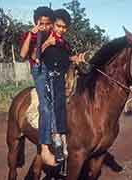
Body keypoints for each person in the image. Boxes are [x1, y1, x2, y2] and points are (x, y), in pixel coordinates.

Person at [41, 8, 85, 163]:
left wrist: (76, 59)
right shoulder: (45, 38)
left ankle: (71, 136)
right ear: (53, 25)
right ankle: (57, 140)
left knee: (71, 100)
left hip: (63, 76)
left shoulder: (64, 44)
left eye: (64, 27)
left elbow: (66, 58)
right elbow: (44, 58)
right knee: (55, 103)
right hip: (49, 76)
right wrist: (47, 44)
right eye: (59, 26)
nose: (61, 30)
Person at [20, 6, 57, 166]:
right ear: (36, 22)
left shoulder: (55, 35)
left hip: (54, 70)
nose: (45, 26)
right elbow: (25, 55)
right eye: (41, 23)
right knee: (45, 106)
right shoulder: (31, 35)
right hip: (39, 70)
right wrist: (33, 35)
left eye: (48, 23)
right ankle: (45, 147)